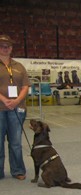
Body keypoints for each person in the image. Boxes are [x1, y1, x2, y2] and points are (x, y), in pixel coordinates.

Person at [0, 34, 30, 180]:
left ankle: (18, 170)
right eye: (2, 46)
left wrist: (17, 100)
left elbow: (25, 86)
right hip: (0, 108)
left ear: (11, 48)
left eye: (8, 46)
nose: (5, 48)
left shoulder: (19, 66)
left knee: (16, 142)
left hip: (17, 109)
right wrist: (4, 100)